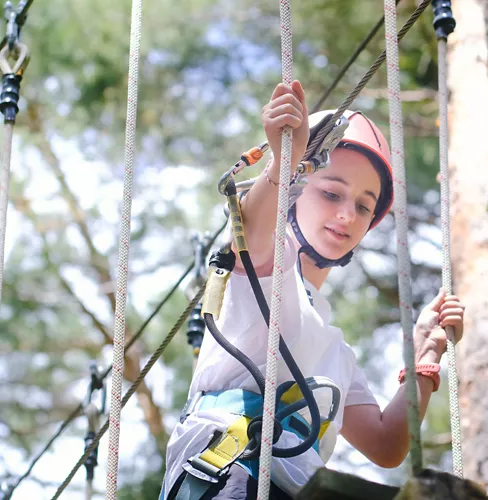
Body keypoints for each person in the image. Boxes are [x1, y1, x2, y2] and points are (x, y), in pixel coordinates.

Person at [161, 80, 465, 499]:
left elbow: (386, 444)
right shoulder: (271, 267)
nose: (347, 215)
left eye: (364, 205)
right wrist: (283, 165)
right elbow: (248, 231)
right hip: (230, 477)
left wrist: (425, 359)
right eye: (331, 192)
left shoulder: (336, 352)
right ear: (296, 193)